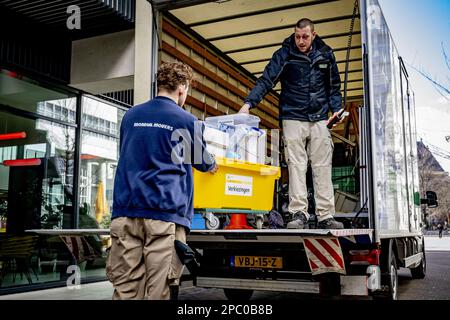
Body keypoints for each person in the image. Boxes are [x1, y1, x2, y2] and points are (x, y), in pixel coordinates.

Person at [106, 61, 218, 300]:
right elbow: (203, 161)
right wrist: (214, 163)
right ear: (182, 88)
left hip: (126, 213)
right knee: (158, 291)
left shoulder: (130, 116)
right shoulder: (186, 120)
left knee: (126, 289)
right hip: (163, 216)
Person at [239, 18, 344, 229]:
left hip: (320, 117)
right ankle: (299, 213)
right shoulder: (285, 54)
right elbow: (266, 80)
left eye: (305, 37)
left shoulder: (326, 54)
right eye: (297, 36)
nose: (301, 41)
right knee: (296, 166)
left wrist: (337, 110)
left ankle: (325, 215)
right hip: (293, 116)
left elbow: (333, 88)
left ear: (313, 35)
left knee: (322, 166)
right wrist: (248, 104)